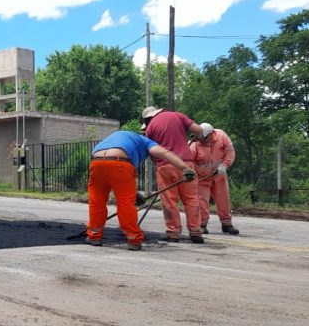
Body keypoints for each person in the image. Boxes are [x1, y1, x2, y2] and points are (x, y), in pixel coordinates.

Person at [86, 131, 196, 250]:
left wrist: (134, 194)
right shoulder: (146, 142)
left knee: (97, 201)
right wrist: (185, 168)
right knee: (125, 203)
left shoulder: (121, 137)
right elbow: (165, 153)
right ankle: (133, 238)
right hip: (120, 162)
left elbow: (111, 175)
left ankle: (94, 236)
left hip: (96, 162)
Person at [142, 106, 205, 243]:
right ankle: (195, 232)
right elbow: (199, 130)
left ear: (148, 118)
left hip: (165, 166)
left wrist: (157, 164)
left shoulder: (150, 128)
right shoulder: (178, 115)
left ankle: (173, 232)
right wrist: (195, 136)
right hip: (187, 164)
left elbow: (152, 152)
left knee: (169, 200)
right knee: (191, 199)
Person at [190, 123, 239, 235]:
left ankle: (227, 224)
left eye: (204, 138)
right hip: (202, 178)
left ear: (211, 134)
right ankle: (202, 224)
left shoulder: (222, 136)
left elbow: (230, 152)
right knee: (202, 201)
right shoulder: (194, 145)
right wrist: (191, 174)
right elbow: (189, 162)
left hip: (219, 175)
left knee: (223, 199)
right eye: (200, 138)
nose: (202, 140)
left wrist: (224, 166)